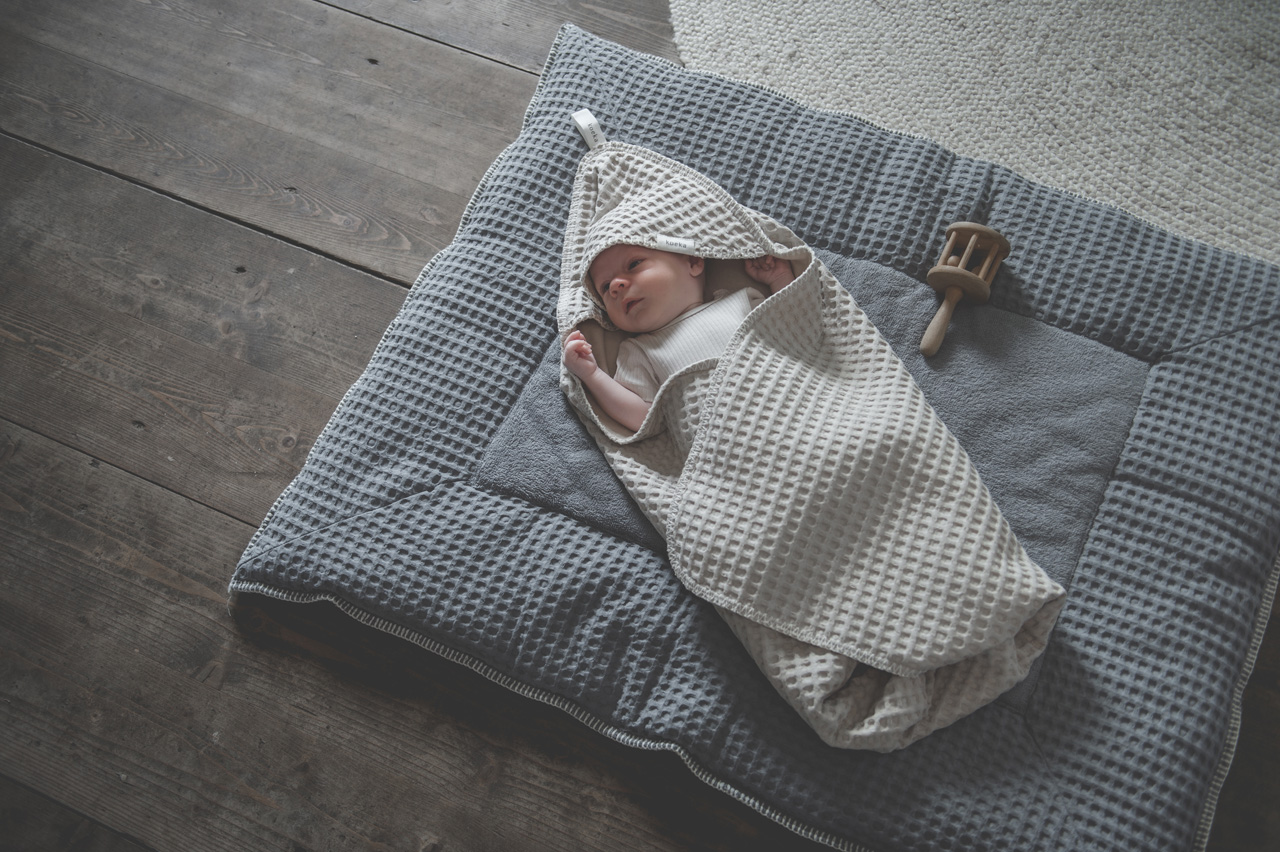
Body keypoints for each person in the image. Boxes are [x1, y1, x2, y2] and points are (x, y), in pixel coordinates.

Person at [562, 243, 795, 431]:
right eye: (604, 288)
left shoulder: (740, 302)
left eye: (634, 264)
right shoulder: (639, 350)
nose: (615, 286)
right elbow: (643, 418)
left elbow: (794, 332)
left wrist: (779, 280)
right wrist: (592, 375)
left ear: (693, 262)